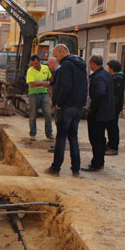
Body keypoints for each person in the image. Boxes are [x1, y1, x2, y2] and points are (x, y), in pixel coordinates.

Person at [45, 44, 87, 177]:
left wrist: (59, 103)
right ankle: (76, 169)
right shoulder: (81, 66)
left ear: (62, 52)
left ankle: (55, 168)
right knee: (73, 137)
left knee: (61, 138)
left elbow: (66, 87)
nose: (56, 58)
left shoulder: (67, 66)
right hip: (78, 107)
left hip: (67, 107)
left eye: (56, 55)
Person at [82, 55, 115, 172]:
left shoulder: (99, 77)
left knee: (96, 138)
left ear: (92, 63)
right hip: (105, 112)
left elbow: (99, 93)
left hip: (98, 113)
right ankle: (99, 161)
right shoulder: (105, 75)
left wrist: (92, 108)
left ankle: (96, 163)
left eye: (90, 63)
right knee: (100, 138)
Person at [26, 55, 53, 141]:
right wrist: (42, 84)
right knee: (33, 115)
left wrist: (50, 85)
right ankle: (32, 133)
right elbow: (32, 84)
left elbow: (50, 78)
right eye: (33, 64)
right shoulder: (30, 71)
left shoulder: (46, 68)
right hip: (33, 95)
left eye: (36, 63)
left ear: (40, 61)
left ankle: (49, 134)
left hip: (44, 94)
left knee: (48, 114)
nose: (35, 65)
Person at [105, 60, 125, 155]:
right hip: (113, 106)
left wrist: (111, 106)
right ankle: (110, 144)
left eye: (109, 67)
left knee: (113, 127)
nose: (107, 69)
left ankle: (113, 147)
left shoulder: (118, 79)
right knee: (110, 126)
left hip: (114, 107)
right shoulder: (115, 78)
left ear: (112, 68)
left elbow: (115, 95)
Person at [47, 56, 60, 153]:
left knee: (59, 125)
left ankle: (58, 146)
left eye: (49, 65)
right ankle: (57, 145)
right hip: (59, 103)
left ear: (52, 63)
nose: (48, 67)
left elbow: (56, 89)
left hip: (59, 104)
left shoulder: (59, 72)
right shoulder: (58, 72)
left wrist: (54, 100)